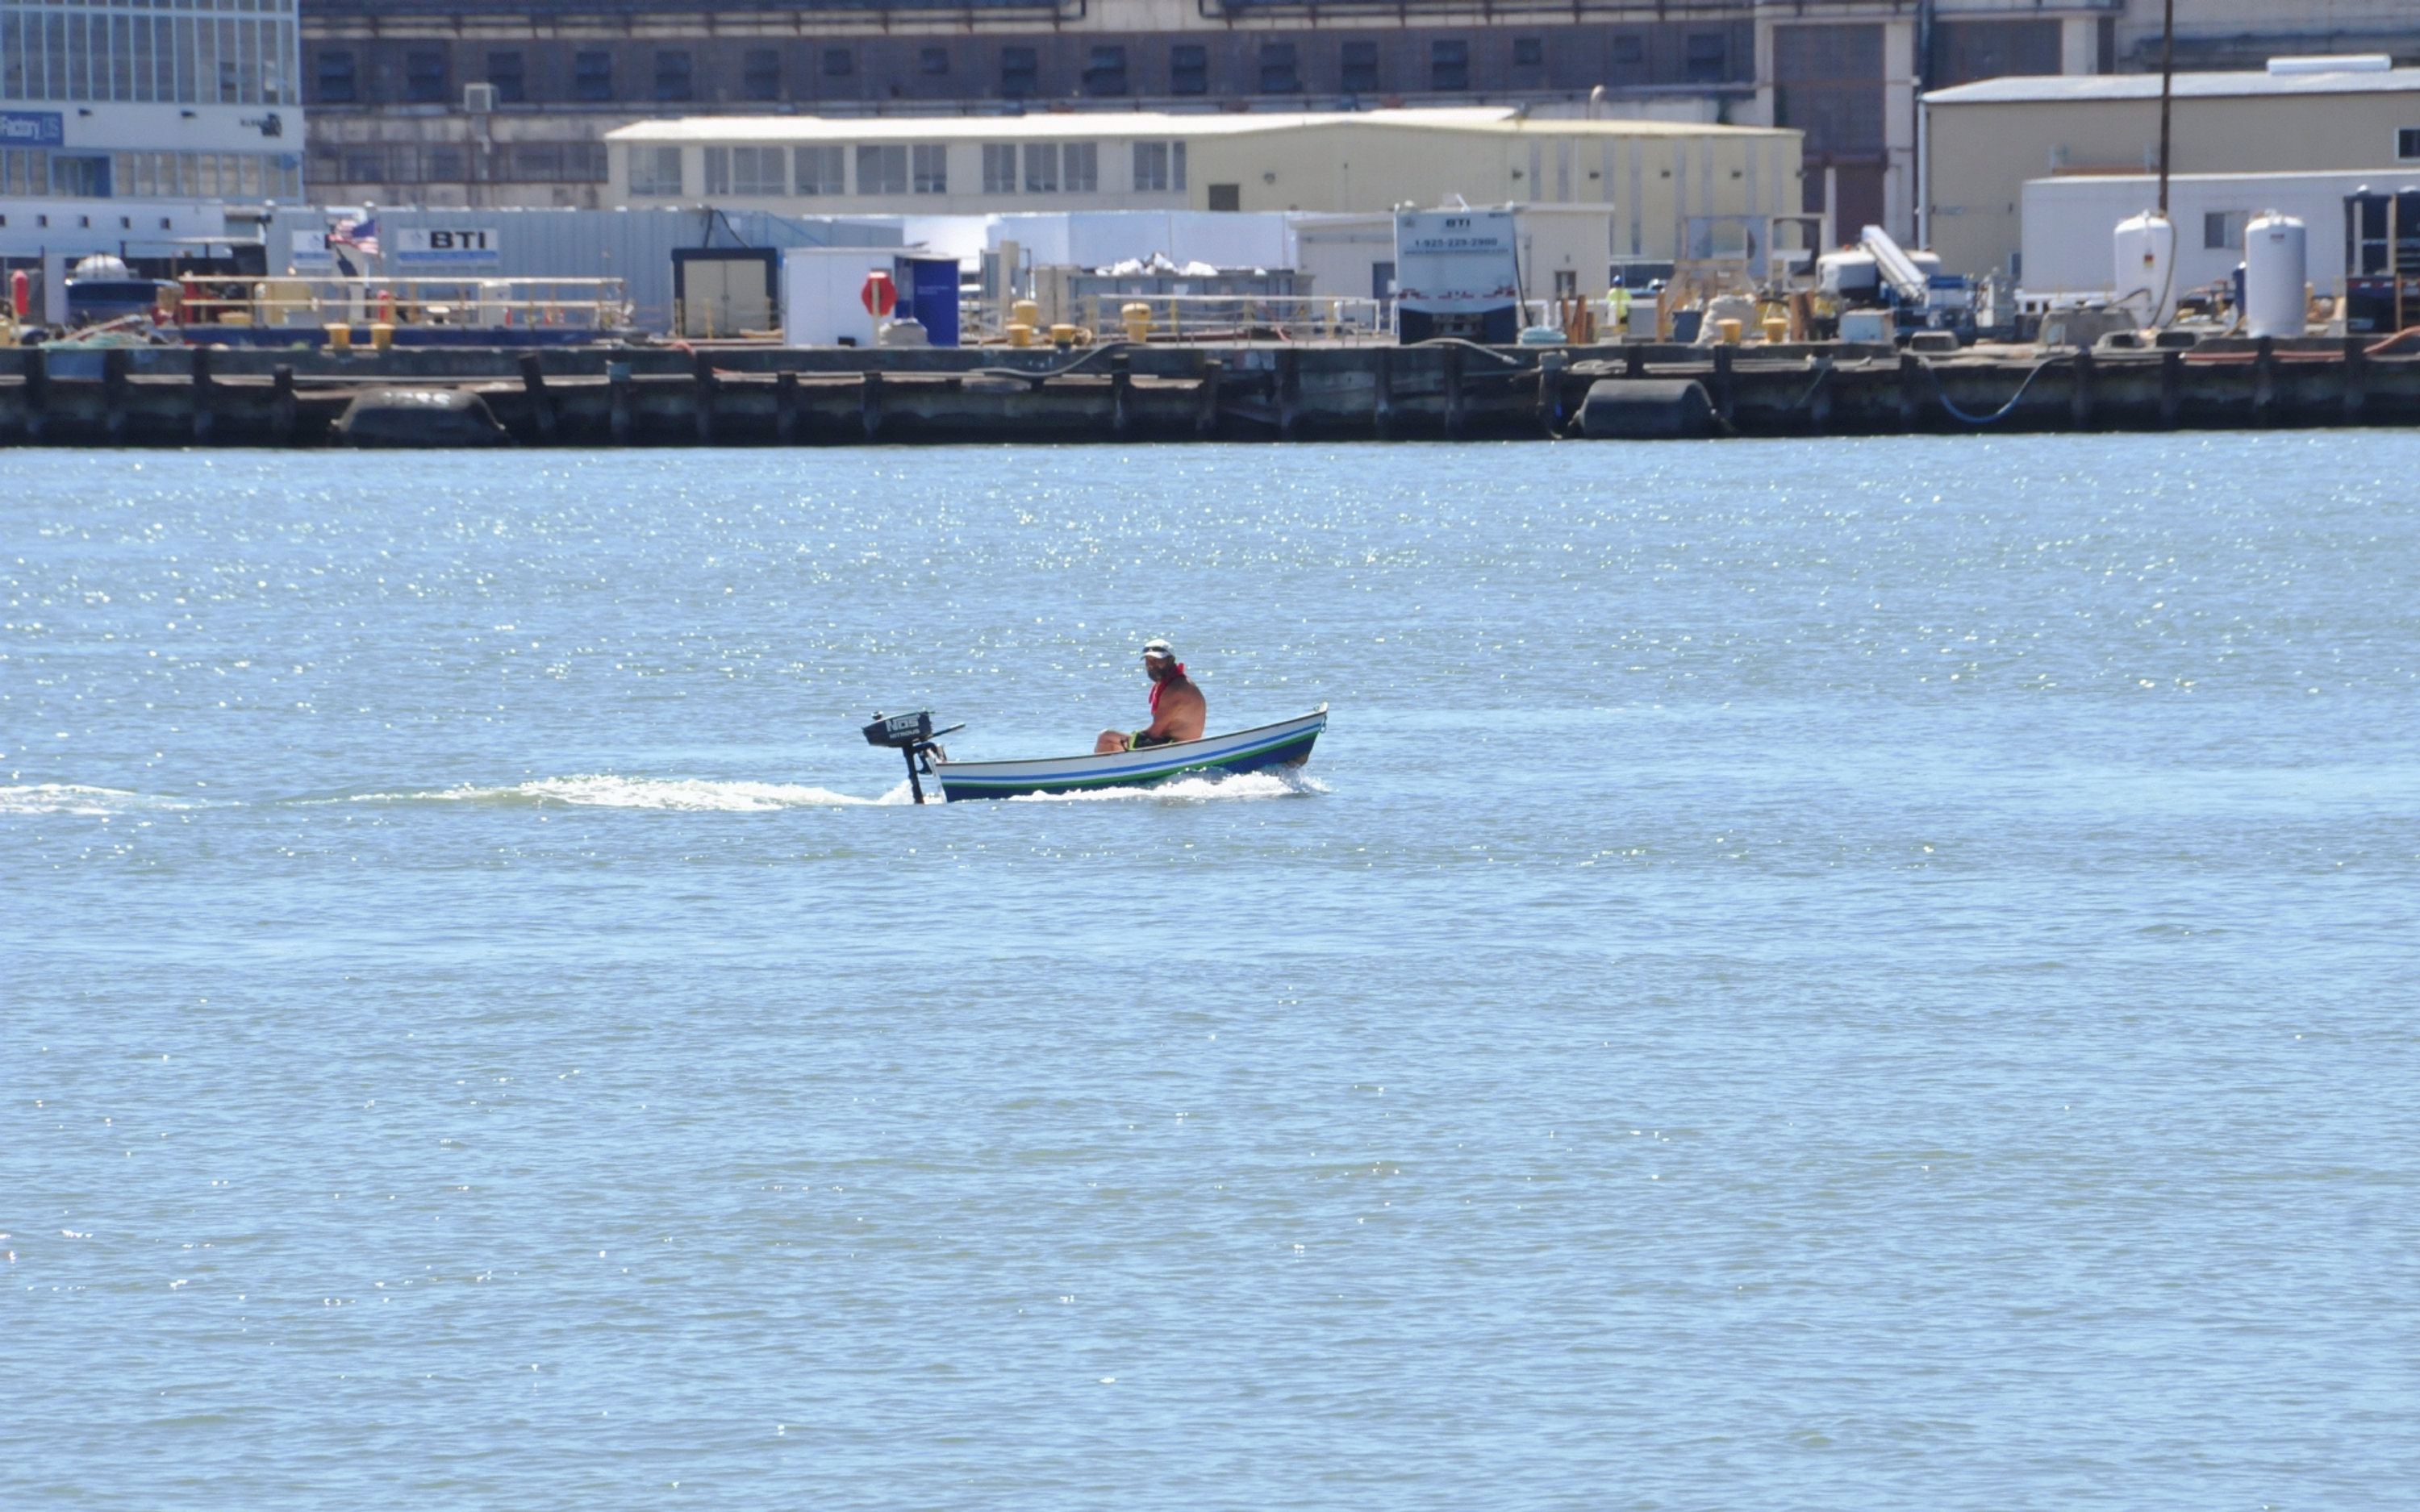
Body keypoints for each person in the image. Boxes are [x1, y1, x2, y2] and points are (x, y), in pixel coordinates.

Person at [1095, 639, 1205, 753]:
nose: (1151, 665)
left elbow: (1153, 733)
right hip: (1174, 746)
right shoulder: (1172, 683)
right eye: (1148, 660)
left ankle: (1098, 770)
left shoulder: (1175, 689)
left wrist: (1133, 737)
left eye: (1156, 660)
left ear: (1171, 660)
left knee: (1106, 737)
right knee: (1116, 744)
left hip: (1178, 750)